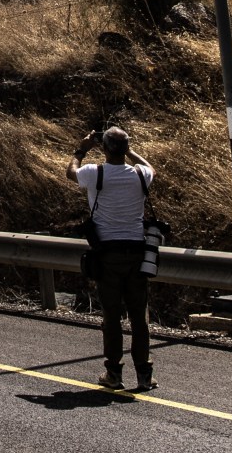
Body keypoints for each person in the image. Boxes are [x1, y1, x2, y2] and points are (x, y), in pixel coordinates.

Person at [69, 125, 155, 391]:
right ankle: (143, 373)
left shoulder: (96, 172)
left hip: (108, 254)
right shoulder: (141, 175)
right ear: (126, 148)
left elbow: (70, 172)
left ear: (104, 149)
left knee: (112, 315)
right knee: (139, 316)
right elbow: (149, 166)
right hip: (137, 253)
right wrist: (128, 149)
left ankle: (114, 373)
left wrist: (82, 149)